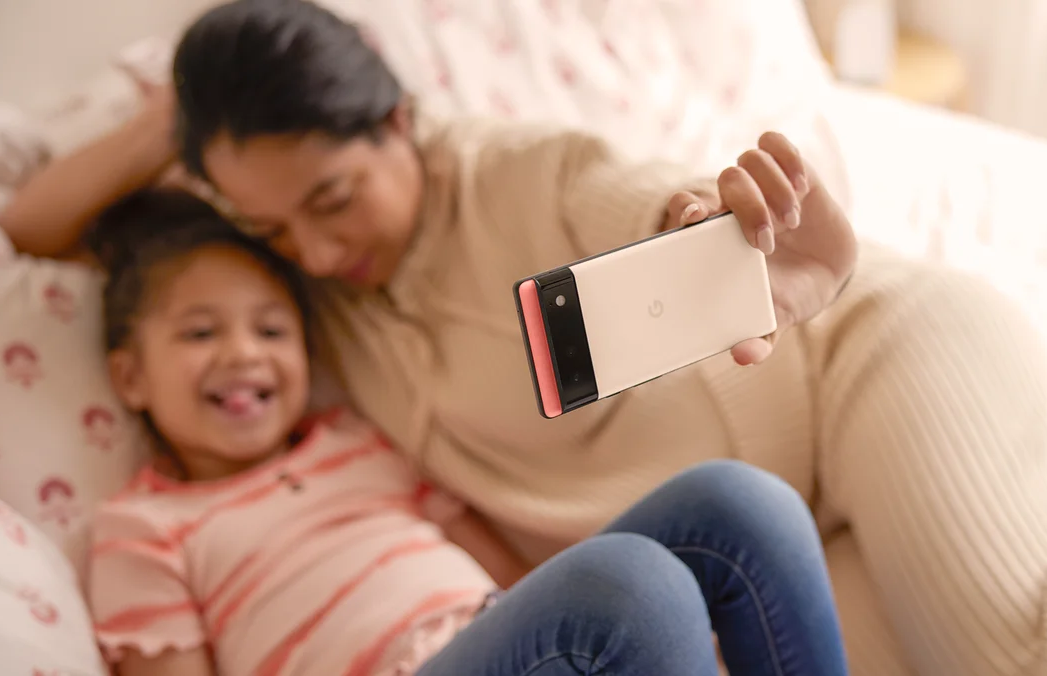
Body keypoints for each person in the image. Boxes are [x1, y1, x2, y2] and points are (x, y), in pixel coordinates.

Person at [0, 1, 1047, 673]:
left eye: (332, 201)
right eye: (267, 223)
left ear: (399, 123)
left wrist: (721, 236)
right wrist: (186, 117)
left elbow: (652, 202)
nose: (306, 251)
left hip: (868, 369)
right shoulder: (289, 295)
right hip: (784, 524)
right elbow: (30, 222)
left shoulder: (519, 173)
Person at [79, 188, 848, 676]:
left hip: (503, 644)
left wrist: (571, 622)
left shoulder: (355, 439)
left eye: (272, 330)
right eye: (200, 333)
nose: (244, 353)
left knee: (738, 503)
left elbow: (503, 580)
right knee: (632, 586)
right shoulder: (143, 528)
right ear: (130, 377)